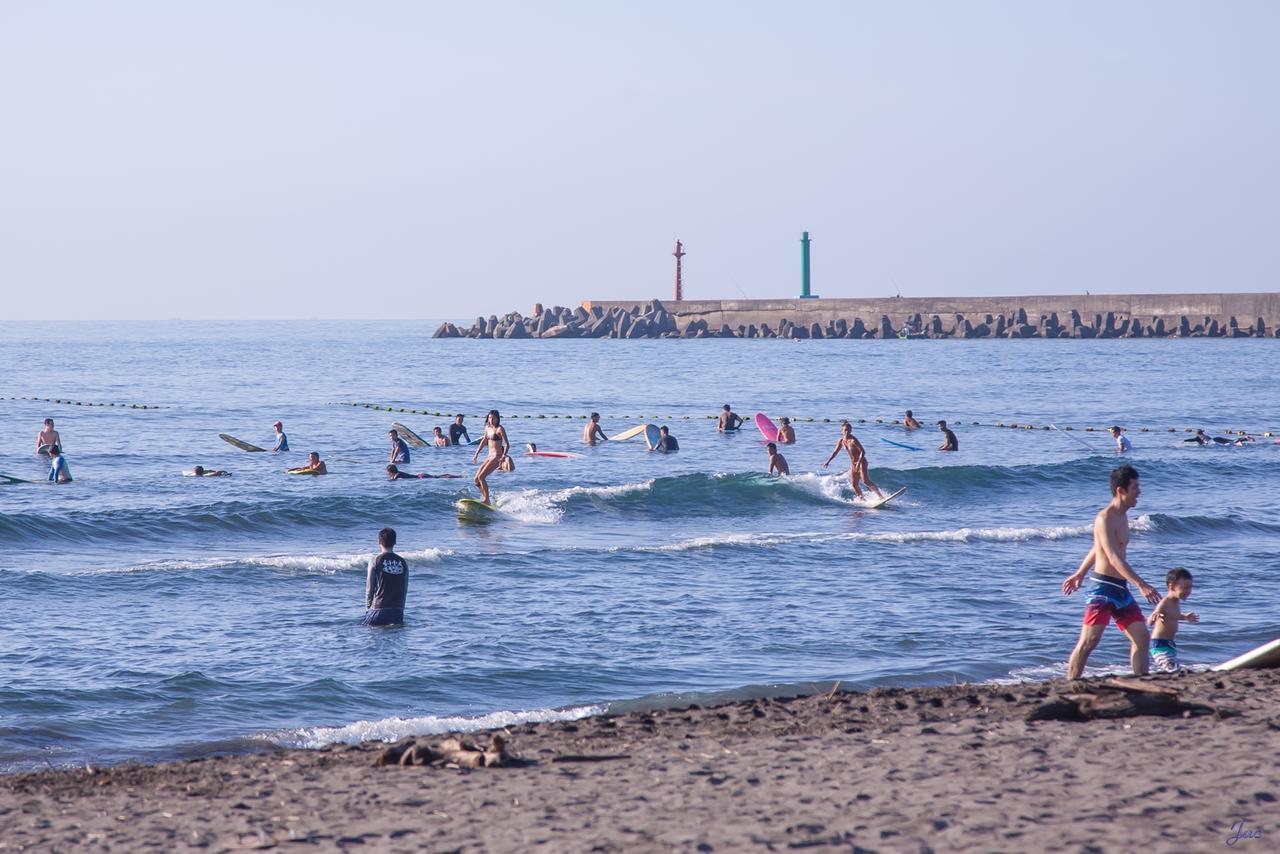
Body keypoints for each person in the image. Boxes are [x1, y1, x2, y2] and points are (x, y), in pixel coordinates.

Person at [1061, 465, 1162, 679]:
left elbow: (1097, 548)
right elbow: (1113, 557)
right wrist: (1141, 584)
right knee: (1089, 641)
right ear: (1120, 490)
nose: (1139, 492)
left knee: (1142, 637)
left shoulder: (1124, 517)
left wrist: (1079, 573)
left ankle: (1141, 681)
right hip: (1103, 588)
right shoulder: (1104, 518)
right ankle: (1071, 682)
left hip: (1120, 589)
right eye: (1135, 487)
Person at [1147, 568, 1199, 672]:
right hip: (1159, 644)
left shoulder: (1176, 602)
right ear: (1172, 586)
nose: (1188, 591)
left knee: (1173, 666)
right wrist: (1154, 616)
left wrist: (1184, 617)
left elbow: (1172, 615)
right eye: (1185, 588)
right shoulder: (1165, 601)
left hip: (1169, 644)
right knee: (1171, 668)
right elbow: (1150, 620)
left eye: (1190, 588)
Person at [822, 421, 884, 500]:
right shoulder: (841, 441)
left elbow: (862, 451)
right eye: (845, 430)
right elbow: (835, 452)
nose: (847, 432)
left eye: (849, 430)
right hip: (853, 464)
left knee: (865, 481)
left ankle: (880, 496)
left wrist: (858, 462)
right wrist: (828, 461)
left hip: (861, 462)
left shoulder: (853, 440)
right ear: (842, 431)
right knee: (854, 484)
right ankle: (862, 499)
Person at [363, 527, 408, 627]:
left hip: (378, 608)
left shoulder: (375, 560)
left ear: (379, 541)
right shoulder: (403, 562)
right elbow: (404, 589)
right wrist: (401, 609)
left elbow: (369, 588)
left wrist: (368, 608)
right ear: (395, 542)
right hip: (397, 610)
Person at [471, 410, 510, 504]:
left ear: (497, 419)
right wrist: (476, 454)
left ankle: (486, 500)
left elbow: (507, 444)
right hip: (489, 456)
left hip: (497, 456)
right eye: (489, 417)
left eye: (493, 418)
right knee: (476, 479)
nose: (491, 420)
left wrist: (503, 456)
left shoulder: (500, 429)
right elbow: (484, 440)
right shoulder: (487, 428)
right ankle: (486, 498)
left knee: (481, 477)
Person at [386, 464, 458, 480]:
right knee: (438, 476)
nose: (387, 473)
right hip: (421, 475)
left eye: (388, 471)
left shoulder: (397, 475)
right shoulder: (398, 473)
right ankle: (458, 476)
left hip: (421, 477)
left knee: (439, 477)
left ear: (390, 471)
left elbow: (392, 480)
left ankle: (458, 477)